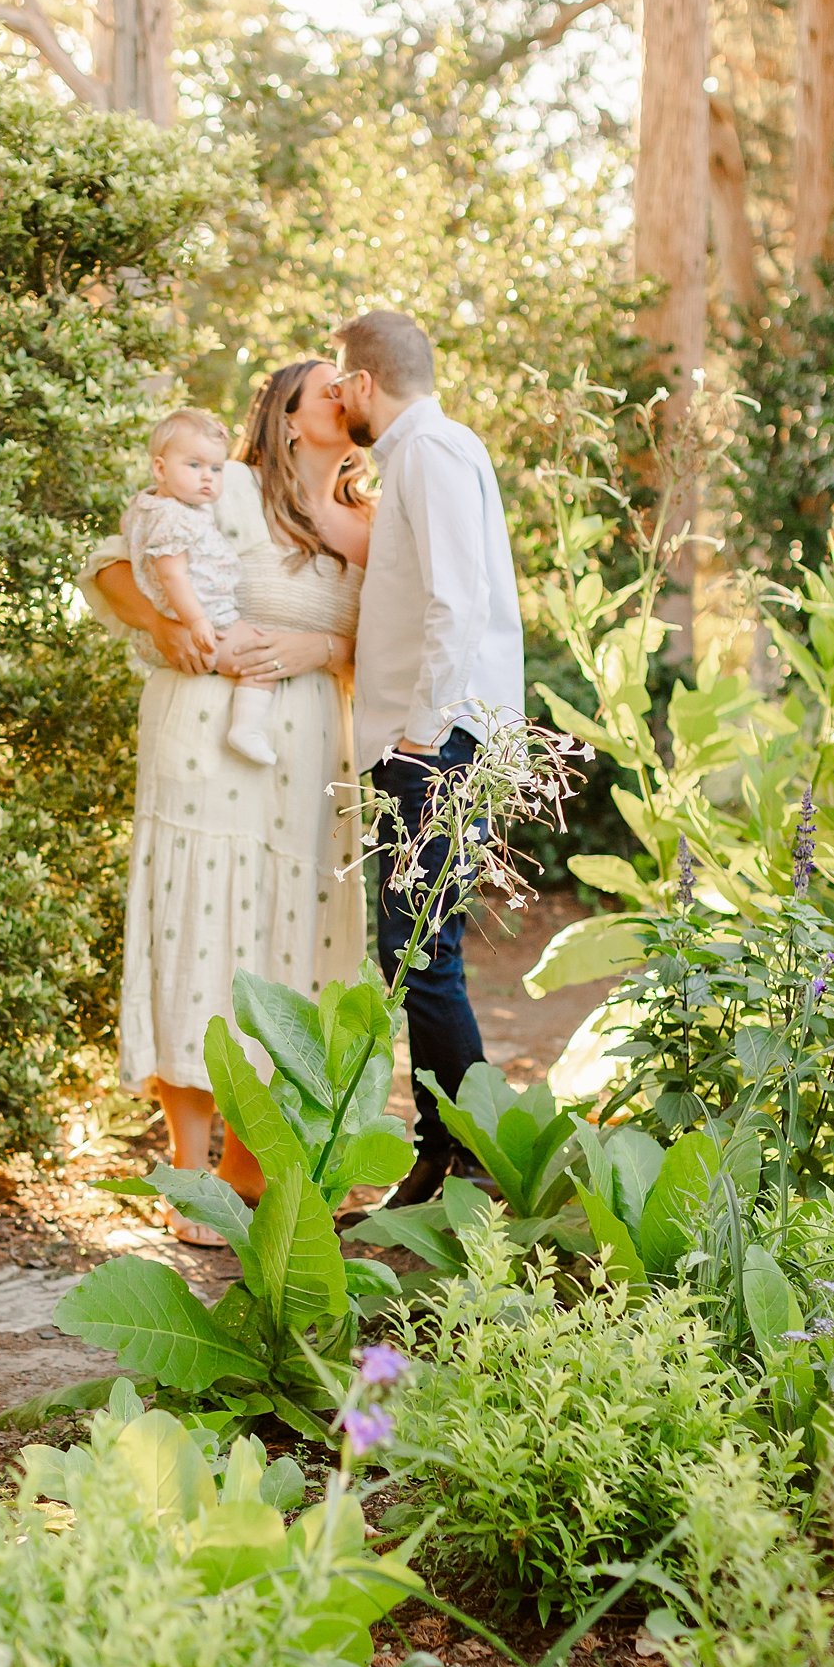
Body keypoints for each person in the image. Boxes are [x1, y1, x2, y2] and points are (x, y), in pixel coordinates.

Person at [80, 361, 373, 1243]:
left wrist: (316, 645)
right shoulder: (228, 485)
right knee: (199, 924)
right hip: (206, 731)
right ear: (285, 417)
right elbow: (109, 564)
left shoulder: (370, 518)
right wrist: (166, 624)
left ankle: (254, 1168)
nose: (343, 391)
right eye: (325, 384)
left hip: (311, 747)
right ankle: (187, 1170)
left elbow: (390, 634)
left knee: (293, 941)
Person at [329, 309, 525, 1206]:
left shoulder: (432, 453)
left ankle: (467, 1155)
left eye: (341, 383)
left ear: (367, 383)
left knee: (419, 949)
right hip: (428, 739)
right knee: (412, 947)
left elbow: (459, 600)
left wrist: (422, 731)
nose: (338, 399)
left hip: (439, 744)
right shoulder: (420, 454)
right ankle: (446, 1147)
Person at [121, 407, 279, 767]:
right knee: (262, 659)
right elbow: (171, 574)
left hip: (197, 620)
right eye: (194, 466)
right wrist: (196, 622)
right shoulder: (173, 517)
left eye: (216, 468)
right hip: (205, 623)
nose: (207, 477)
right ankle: (246, 728)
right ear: (160, 469)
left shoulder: (148, 506)